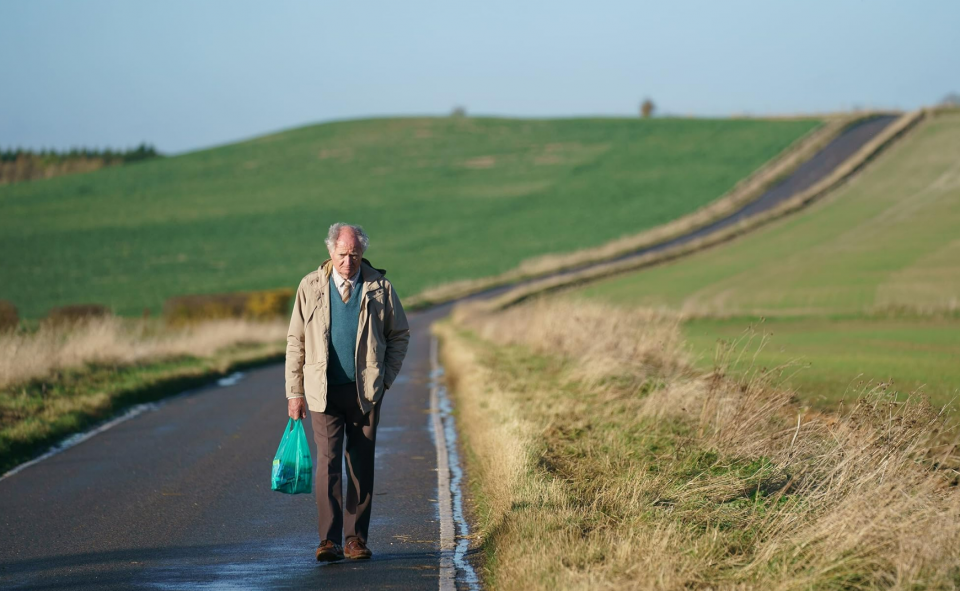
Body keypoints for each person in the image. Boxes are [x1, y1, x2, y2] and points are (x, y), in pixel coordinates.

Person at [284, 222, 410, 562]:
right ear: (330, 252)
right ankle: (329, 541)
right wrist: (294, 393)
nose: (348, 262)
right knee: (327, 466)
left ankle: (355, 540)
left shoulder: (380, 288)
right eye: (342, 254)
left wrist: (384, 380)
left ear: (362, 253)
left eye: (354, 254)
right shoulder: (310, 286)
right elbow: (295, 341)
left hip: (365, 394)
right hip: (323, 393)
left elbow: (400, 335)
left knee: (360, 466)